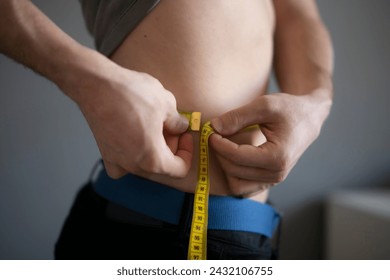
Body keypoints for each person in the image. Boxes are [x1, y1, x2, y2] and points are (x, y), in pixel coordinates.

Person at [0, 0, 333, 259]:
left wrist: (316, 103)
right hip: (135, 227)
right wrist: (87, 78)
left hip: (248, 234)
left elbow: (296, 12)